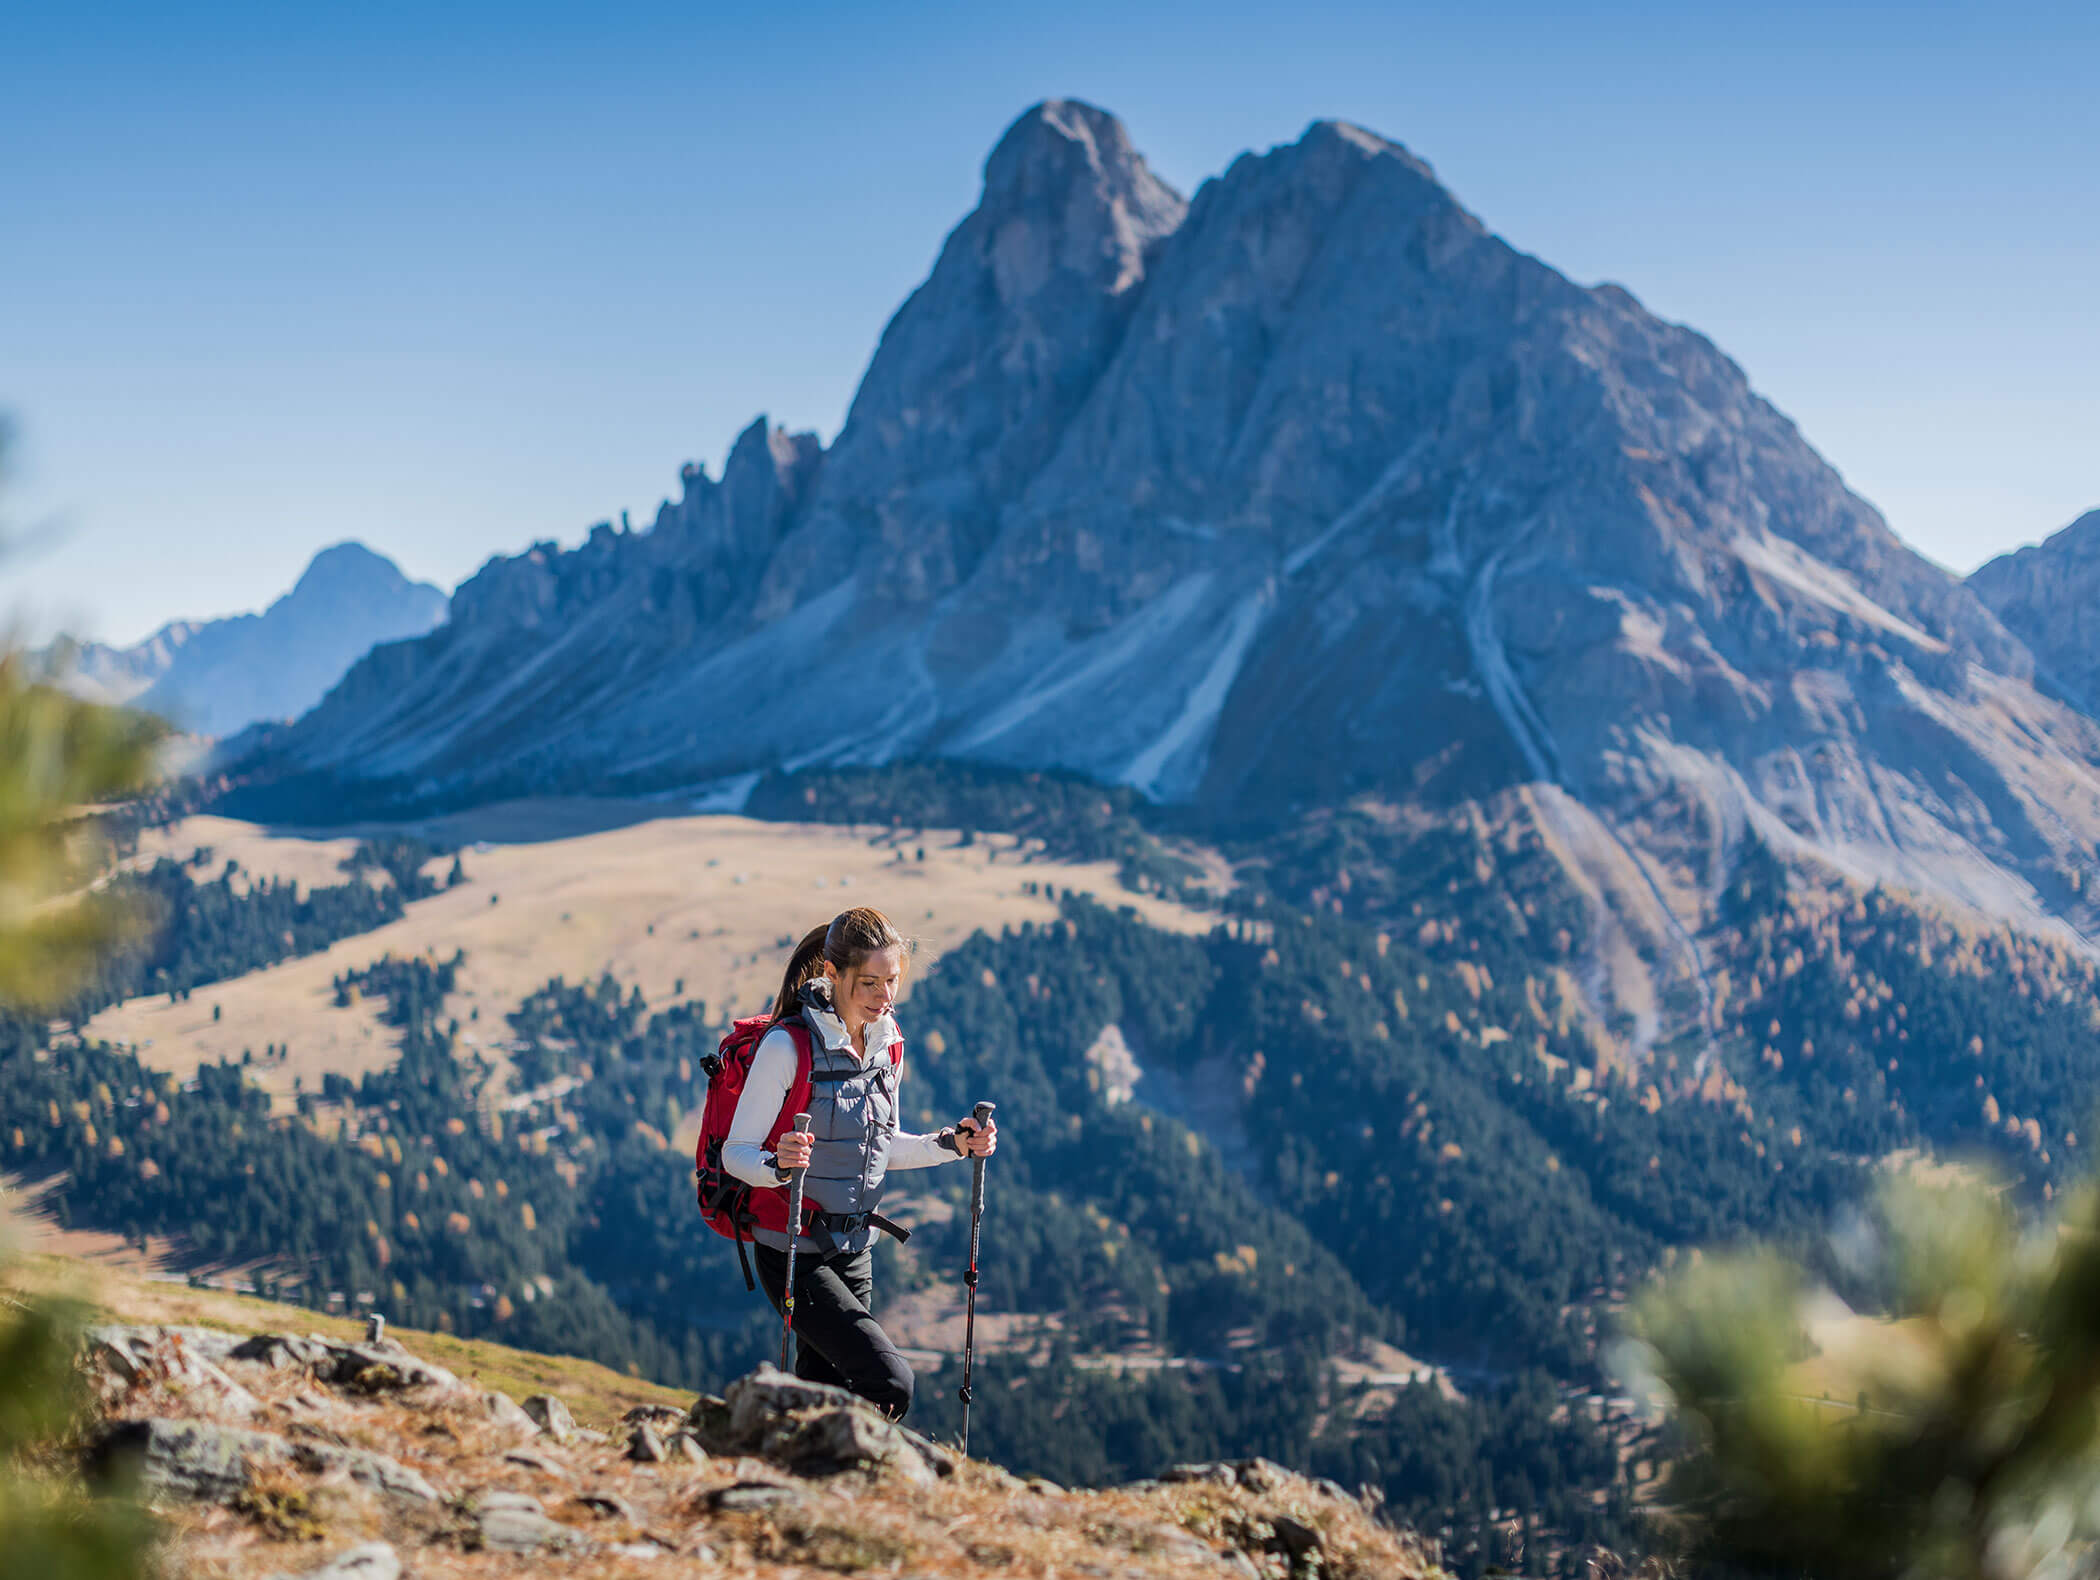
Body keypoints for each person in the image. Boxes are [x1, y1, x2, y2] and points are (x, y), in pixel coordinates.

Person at [722, 906, 995, 1420]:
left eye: (892, 981)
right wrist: (779, 1166)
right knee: (889, 1381)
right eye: (869, 983)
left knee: (826, 1395)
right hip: (793, 1250)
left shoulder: (886, 1045)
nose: (884, 997)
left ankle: (800, 1485)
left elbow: (880, 1148)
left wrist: (951, 1144)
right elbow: (734, 1154)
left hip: (855, 1247)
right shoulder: (787, 1046)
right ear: (832, 974)